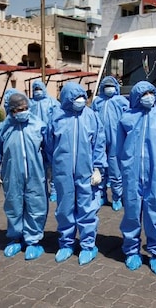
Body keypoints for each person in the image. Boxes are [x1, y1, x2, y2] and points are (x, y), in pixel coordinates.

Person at [117, 81, 156, 276]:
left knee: (154, 212)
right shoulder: (126, 119)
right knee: (132, 212)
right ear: (136, 96)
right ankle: (132, 250)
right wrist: (121, 172)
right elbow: (118, 150)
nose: (149, 96)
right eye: (145, 93)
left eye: (152, 92)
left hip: (155, 174)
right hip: (131, 175)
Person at [46, 82, 107, 265]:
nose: (80, 100)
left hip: (86, 172)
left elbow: (99, 143)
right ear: (66, 99)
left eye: (82, 97)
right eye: (75, 98)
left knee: (87, 208)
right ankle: (66, 244)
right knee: (65, 208)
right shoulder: (56, 117)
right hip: (62, 172)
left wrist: (98, 168)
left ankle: (88, 245)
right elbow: (49, 143)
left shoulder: (91, 116)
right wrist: (51, 166)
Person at [0, 92, 48, 260]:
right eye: (19, 109)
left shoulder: (38, 125)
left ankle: (33, 241)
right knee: (14, 206)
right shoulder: (3, 128)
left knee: (36, 206)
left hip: (35, 174)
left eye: (26, 108)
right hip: (12, 175)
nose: (23, 111)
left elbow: (48, 149)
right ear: (11, 111)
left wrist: (51, 172)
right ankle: (15, 238)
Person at [91, 76, 129, 211]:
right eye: (106, 86)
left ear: (116, 87)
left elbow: (128, 120)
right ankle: (101, 195)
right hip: (99, 139)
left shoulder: (121, 101)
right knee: (99, 167)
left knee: (115, 169)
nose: (109, 88)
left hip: (116, 139)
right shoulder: (97, 102)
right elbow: (92, 119)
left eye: (111, 86)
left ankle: (117, 197)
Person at [29, 80, 60, 202]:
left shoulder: (52, 102)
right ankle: (41, 190)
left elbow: (58, 118)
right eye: (35, 89)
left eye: (39, 88)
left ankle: (54, 190)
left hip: (50, 138)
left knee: (52, 165)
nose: (37, 91)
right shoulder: (30, 103)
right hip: (35, 138)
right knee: (38, 166)